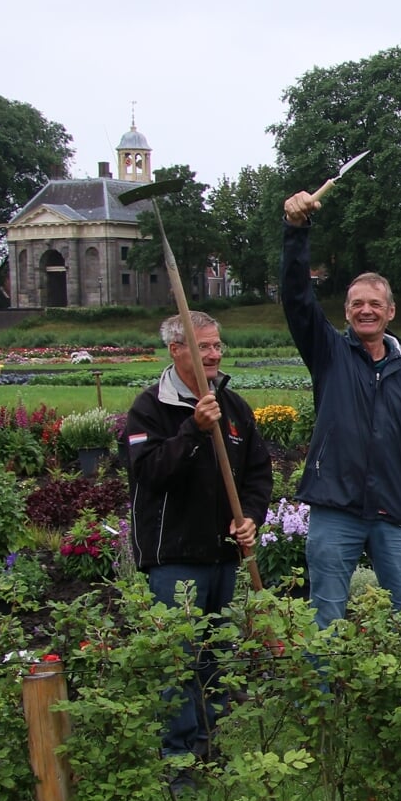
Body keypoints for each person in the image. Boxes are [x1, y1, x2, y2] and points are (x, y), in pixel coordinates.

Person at [123, 312, 272, 776]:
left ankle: (213, 751)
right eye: (202, 346)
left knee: (218, 659)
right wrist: (192, 430)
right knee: (178, 662)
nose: (214, 354)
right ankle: (179, 762)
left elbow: (257, 474)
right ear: (176, 349)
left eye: (216, 345)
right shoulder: (150, 409)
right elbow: (147, 473)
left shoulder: (235, 407)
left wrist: (249, 518)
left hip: (223, 558)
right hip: (174, 560)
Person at [281, 190, 401, 628]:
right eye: (356, 304)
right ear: (346, 312)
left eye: (374, 304)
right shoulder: (328, 353)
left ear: (390, 311)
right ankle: (324, 695)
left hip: (393, 512)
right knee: (326, 614)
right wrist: (297, 231)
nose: (365, 310)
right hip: (337, 507)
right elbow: (296, 298)